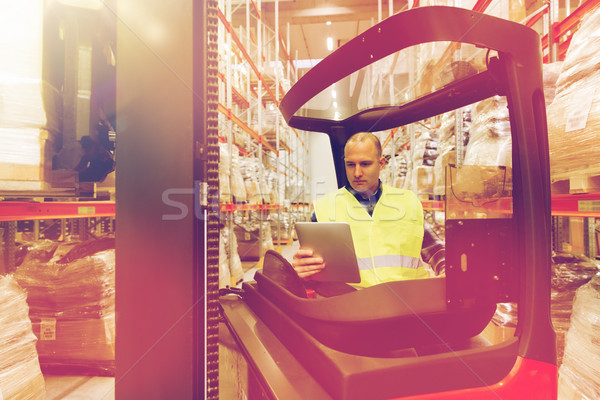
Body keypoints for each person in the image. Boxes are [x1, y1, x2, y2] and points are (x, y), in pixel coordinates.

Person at [292, 132, 445, 288]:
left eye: (365, 164)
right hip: (350, 304)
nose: (357, 173)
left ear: (381, 163)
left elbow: (435, 249)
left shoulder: (408, 202)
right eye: (351, 164)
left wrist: (446, 271)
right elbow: (310, 265)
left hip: (408, 302)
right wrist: (303, 269)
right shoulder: (323, 209)